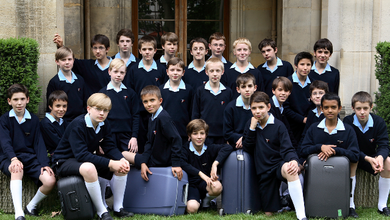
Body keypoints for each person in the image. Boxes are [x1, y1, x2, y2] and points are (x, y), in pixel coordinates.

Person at [52, 93, 133, 220]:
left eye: (105, 110)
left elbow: (110, 147)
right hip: (63, 161)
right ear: (89, 109)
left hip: (83, 160)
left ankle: (118, 208)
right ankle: (102, 212)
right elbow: (82, 155)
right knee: (89, 168)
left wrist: (121, 160)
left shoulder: (104, 124)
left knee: (121, 166)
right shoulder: (77, 125)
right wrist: (111, 163)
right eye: (98, 109)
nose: (102, 113)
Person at [242, 91, 307, 220]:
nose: (257, 111)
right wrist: (252, 129)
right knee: (269, 213)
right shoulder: (250, 125)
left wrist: (293, 160)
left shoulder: (278, 125)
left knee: (290, 169)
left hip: (278, 166)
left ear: (268, 107)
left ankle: (301, 215)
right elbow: (247, 148)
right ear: (250, 109)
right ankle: (284, 200)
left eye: (261, 107)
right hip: (263, 172)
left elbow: (287, 148)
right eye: (254, 108)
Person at [0, 84, 56, 220]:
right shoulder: (4, 119)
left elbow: (39, 144)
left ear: (28, 100)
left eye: (22, 99)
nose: (19, 103)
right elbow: (5, 143)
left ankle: (30, 206)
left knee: (50, 180)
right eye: (15, 99)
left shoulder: (34, 119)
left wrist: (44, 163)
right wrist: (13, 158)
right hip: (9, 157)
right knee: (16, 169)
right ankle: (19, 213)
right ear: (9, 101)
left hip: (29, 158)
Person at [343, 91, 390, 218]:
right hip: (356, 156)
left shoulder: (379, 122)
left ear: (371, 107)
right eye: (358, 108)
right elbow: (349, 147)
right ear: (353, 108)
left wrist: (380, 157)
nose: (362, 112)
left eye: (365, 108)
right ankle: (351, 205)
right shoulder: (347, 121)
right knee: (353, 159)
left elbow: (384, 145)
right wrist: (367, 158)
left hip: (373, 158)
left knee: (388, 162)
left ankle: (382, 205)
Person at [122, 85, 183, 182]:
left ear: (160, 101)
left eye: (152, 100)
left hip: (160, 161)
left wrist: (176, 164)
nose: (149, 104)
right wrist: (143, 162)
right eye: (145, 102)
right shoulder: (152, 118)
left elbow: (176, 139)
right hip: (152, 157)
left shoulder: (163, 118)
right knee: (122, 155)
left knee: (123, 154)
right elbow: (149, 142)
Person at [181, 119, 232, 213]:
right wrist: (201, 174)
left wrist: (215, 163)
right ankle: (197, 202)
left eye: (202, 133)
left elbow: (228, 147)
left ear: (206, 135)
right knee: (192, 209)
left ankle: (206, 203)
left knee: (217, 186)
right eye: (195, 134)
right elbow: (183, 163)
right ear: (189, 136)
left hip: (206, 184)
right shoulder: (184, 149)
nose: (199, 137)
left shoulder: (210, 148)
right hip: (192, 185)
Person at [128, 35, 166, 153]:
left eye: (150, 49)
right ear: (139, 51)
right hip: (139, 113)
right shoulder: (133, 69)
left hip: (156, 114)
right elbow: (130, 91)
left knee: (156, 142)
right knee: (141, 142)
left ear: (155, 50)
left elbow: (163, 91)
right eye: (144, 49)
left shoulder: (161, 69)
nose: (147, 52)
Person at [299, 93, 359, 165]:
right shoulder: (313, 128)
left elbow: (355, 156)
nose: (330, 110)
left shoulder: (348, 130)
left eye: (333, 107)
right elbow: (303, 151)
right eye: (326, 107)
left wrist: (335, 151)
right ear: (322, 109)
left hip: (340, 172)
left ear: (339, 108)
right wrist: (320, 147)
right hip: (317, 170)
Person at [99, 58, 139, 153]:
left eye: (122, 72)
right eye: (115, 71)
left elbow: (136, 116)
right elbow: (99, 118)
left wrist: (134, 137)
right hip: (109, 135)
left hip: (127, 136)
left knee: (130, 162)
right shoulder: (103, 93)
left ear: (125, 74)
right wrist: (99, 140)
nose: (118, 75)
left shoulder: (131, 93)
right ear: (109, 71)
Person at [192, 57, 233, 144]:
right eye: (211, 71)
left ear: (222, 72)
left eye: (217, 71)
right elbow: (195, 113)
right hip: (205, 135)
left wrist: (229, 135)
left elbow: (231, 115)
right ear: (206, 72)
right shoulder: (200, 91)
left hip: (223, 135)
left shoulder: (228, 92)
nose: (215, 74)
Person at [46, 46, 87, 122]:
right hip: (63, 121)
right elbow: (50, 106)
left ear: (73, 60)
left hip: (80, 120)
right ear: (57, 62)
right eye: (63, 60)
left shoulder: (80, 79)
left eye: (69, 59)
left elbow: (85, 101)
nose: (67, 62)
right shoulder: (54, 82)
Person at [159, 57, 193, 145]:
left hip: (183, 132)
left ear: (183, 73)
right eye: (172, 70)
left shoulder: (189, 90)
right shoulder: (161, 90)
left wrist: (191, 131)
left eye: (178, 70)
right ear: (167, 72)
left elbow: (192, 111)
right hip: (164, 133)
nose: (175, 73)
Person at [284, 52, 314, 143]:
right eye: (302, 64)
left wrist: (308, 119)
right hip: (290, 125)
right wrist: (302, 119)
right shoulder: (287, 83)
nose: (305, 68)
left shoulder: (313, 84)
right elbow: (285, 107)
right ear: (296, 65)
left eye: (308, 64)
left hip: (307, 126)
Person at [223, 73, 257, 149]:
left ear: (255, 88)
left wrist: (245, 138)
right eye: (243, 87)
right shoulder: (230, 107)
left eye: (250, 86)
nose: (247, 89)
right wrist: (242, 138)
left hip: (255, 144)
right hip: (236, 145)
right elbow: (227, 133)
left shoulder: (259, 107)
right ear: (238, 89)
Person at [298, 80, 329, 146]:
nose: (317, 96)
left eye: (321, 93)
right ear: (311, 98)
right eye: (314, 93)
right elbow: (305, 134)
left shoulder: (330, 113)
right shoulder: (311, 113)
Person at [40, 90, 69, 157]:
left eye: (64, 106)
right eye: (58, 106)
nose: (61, 109)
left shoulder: (63, 122)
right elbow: (59, 144)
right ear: (50, 106)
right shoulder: (46, 124)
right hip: (56, 156)